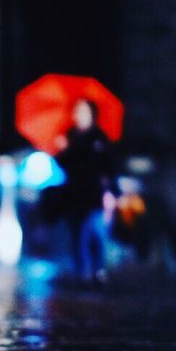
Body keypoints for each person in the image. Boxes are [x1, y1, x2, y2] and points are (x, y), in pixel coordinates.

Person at [55, 98, 118, 285]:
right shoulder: (70, 136)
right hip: (74, 193)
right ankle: (82, 271)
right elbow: (63, 164)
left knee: (97, 232)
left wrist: (112, 191)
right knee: (78, 233)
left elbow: (109, 166)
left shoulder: (99, 137)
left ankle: (98, 269)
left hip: (95, 193)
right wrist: (62, 151)